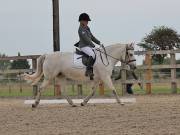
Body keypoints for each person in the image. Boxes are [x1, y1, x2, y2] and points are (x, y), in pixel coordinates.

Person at [77, 13, 103, 80]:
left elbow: (92, 37)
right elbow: (86, 39)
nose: (87, 22)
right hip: (83, 46)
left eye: (87, 21)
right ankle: (88, 71)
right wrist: (93, 45)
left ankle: (93, 70)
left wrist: (99, 43)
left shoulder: (87, 28)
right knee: (92, 54)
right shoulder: (81, 29)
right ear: (81, 21)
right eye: (86, 21)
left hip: (88, 46)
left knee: (96, 54)